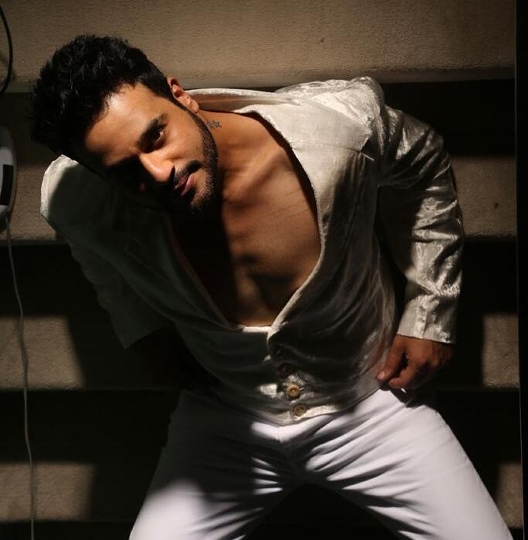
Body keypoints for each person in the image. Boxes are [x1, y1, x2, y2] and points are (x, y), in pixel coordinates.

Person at [31, 34, 512, 539]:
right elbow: (96, 254)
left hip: (371, 403)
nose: (159, 172)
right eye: (124, 171)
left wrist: (430, 310)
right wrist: (141, 330)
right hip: (226, 422)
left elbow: (423, 163)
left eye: (155, 137)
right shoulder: (74, 202)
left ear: (179, 95)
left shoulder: (340, 130)